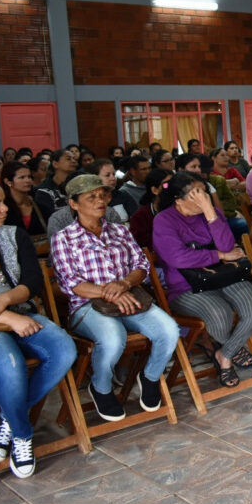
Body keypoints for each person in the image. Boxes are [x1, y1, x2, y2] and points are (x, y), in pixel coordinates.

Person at [49, 175, 180, 421]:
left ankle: (150, 376)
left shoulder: (119, 230)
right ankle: (101, 387)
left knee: (169, 331)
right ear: (74, 204)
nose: (101, 201)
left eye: (103, 195)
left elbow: (141, 264)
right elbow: (71, 283)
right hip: (87, 304)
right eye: (92, 197)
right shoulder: (63, 238)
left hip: (128, 294)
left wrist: (124, 284)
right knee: (113, 338)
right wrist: (108, 293)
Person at [0, 177, 76, 479]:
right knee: (10, 363)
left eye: (4, 201)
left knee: (64, 349)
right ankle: (22, 434)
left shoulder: (13, 235)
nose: (5, 208)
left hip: (21, 311)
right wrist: (8, 318)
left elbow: (32, 282)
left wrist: (4, 302)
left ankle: (6, 415)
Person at [153, 172, 252, 387]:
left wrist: (211, 213)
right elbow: (178, 257)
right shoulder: (164, 220)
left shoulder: (212, 212)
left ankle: (225, 354)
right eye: (197, 193)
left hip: (224, 275)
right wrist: (219, 256)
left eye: (204, 191)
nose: (204, 196)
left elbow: (227, 246)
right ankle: (231, 352)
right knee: (219, 314)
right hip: (186, 286)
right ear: (179, 199)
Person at [0, 161, 46, 238]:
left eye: (29, 177)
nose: (28, 180)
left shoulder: (40, 207)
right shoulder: (2, 208)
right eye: (22, 177)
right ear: (8, 181)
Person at [129, 169, 173, 249]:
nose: (172, 188)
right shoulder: (141, 216)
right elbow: (143, 243)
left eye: (173, 183)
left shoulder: (182, 207)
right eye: (166, 185)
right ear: (155, 190)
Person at [34, 149, 78, 221]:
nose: (73, 161)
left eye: (74, 158)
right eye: (68, 159)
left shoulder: (80, 184)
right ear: (55, 164)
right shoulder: (44, 190)